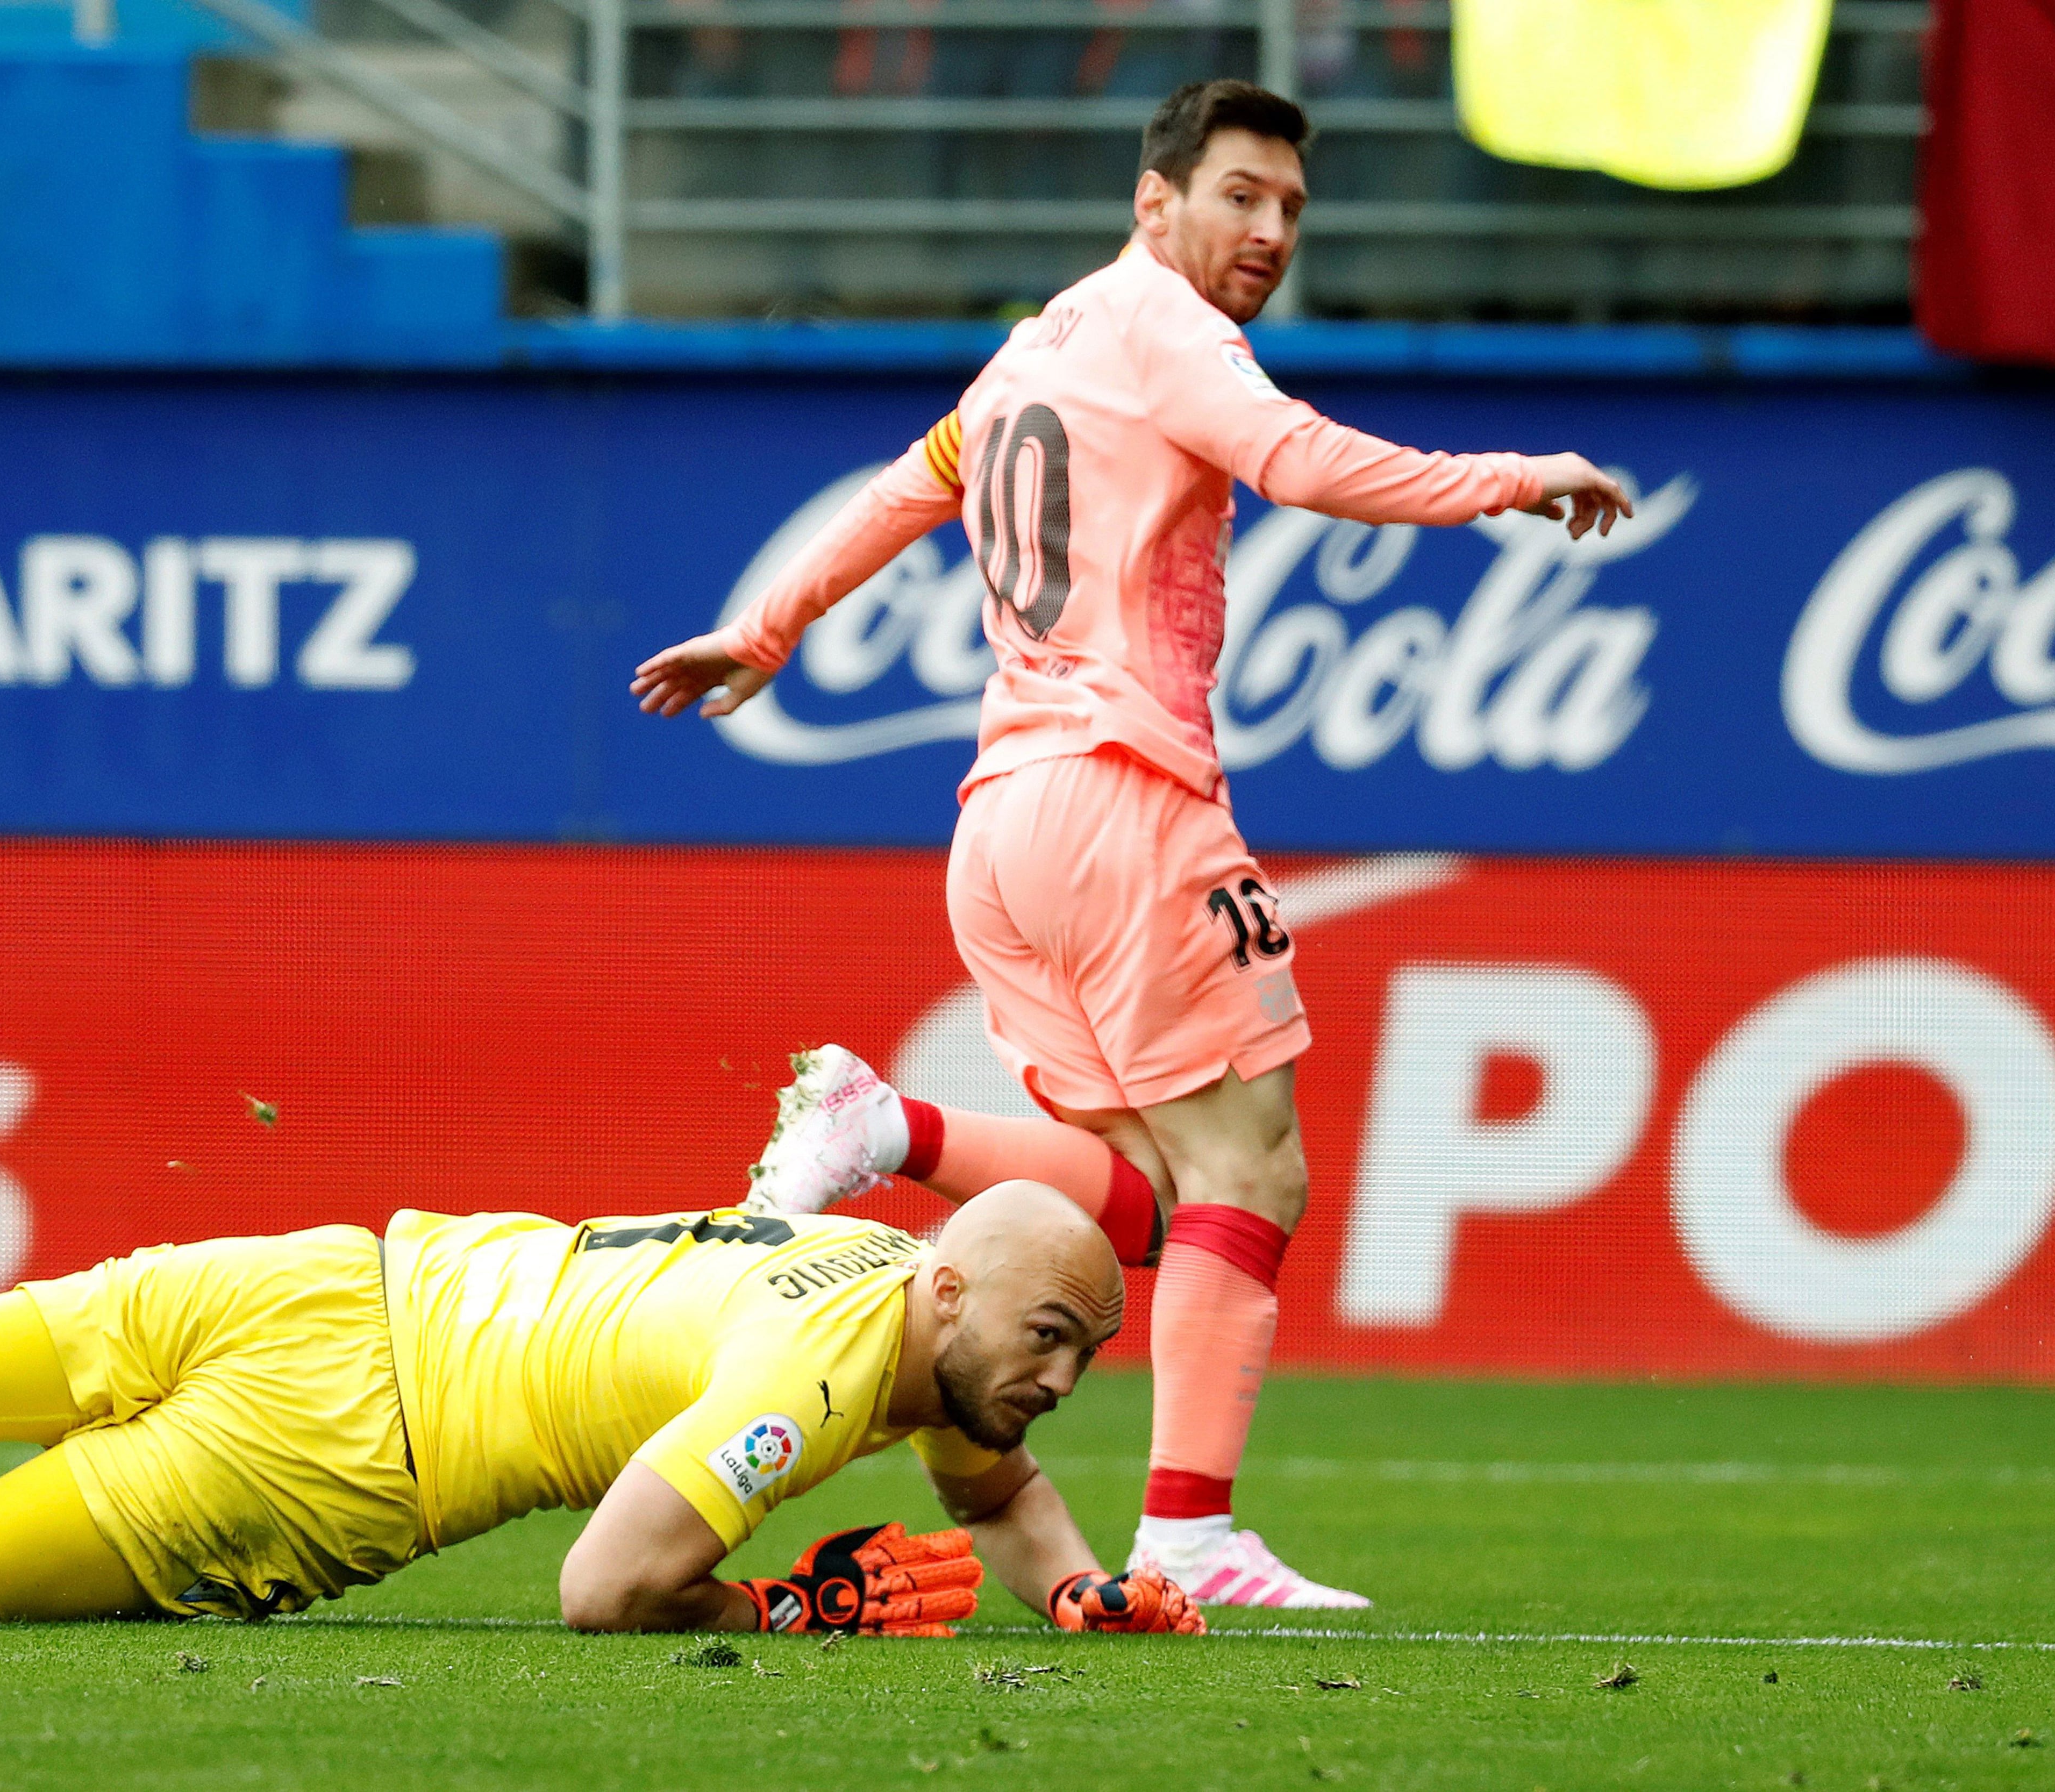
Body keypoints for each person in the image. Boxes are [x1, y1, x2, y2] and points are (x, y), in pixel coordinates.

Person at [631, 77, 1632, 1610]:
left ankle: (886, 1125)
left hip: (1004, 827)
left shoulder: (1044, 341)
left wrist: (762, 628)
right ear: (1154, 201)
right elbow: (1294, 460)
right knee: (1260, 1165)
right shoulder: (1172, 331)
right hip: (1124, 798)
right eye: (1240, 195)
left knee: (1157, 1200)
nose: (1270, 230)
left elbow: (913, 483)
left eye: (1291, 207)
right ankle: (1190, 1534)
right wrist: (1516, 475)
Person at [0, 1181, 1202, 1637]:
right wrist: (794, 1605)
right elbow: (606, 1585)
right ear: (958, 1290)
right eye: (1049, 1340)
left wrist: (1080, 1587)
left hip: (326, 1274)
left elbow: (1000, 1487)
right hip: (337, 1455)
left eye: (1083, 1351)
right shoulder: (809, 1379)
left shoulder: (909, 1287)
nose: (1063, 1383)